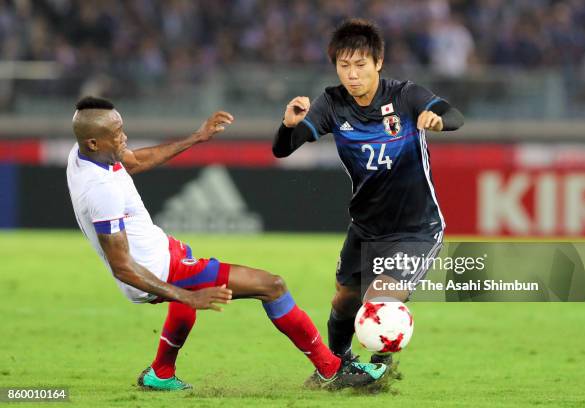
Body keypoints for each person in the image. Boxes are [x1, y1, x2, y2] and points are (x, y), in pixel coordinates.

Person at [66, 96, 387, 391]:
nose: (124, 137)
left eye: (122, 128)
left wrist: (196, 137)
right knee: (272, 285)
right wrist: (185, 294)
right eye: (117, 133)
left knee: (189, 272)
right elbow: (122, 267)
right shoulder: (100, 190)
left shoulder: (85, 154)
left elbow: (133, 161)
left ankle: (160, 373)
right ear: (94, 141)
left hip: (161, 251)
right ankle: (331, 369)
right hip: (156, 270)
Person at [273, 18, 464, 373]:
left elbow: (454, 115)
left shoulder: (405, 95)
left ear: (378, 63)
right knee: (344, 300)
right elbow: (283, 150)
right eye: (344, 66)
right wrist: (288, 126)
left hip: (416, 229)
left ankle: (380, 367)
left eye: (360, 64)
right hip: (365, 227)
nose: (352, 74)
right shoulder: (331, 103)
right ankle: (335, 366)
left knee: (380, 299)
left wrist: (439, 121)